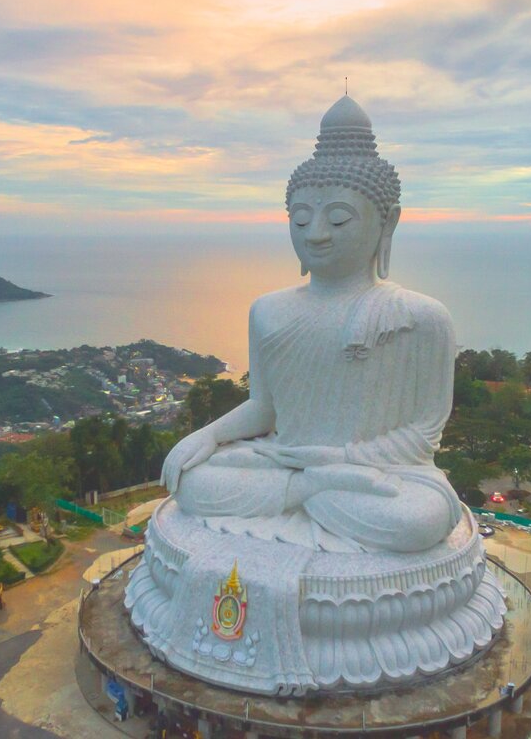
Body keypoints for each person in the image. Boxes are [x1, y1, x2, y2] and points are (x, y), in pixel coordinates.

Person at [162, 96, 459, 553]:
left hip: (375, 474)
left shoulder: (420, 318)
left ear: (388, 223)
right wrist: (208, 435)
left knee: (418, 520)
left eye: (338, 218)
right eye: (300, 218)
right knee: (193, 481)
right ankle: (306, 494)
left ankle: (305, 493)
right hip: (289, 464)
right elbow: (264, 408)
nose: (315, 232)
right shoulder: (268, 309)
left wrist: (343, 459)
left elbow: (423, 434)